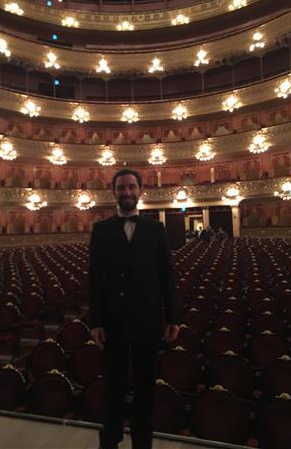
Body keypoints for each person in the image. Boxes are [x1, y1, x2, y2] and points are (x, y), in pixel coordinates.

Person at [88, 168, 180, 449]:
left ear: (141, 191)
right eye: (121, 188)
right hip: (113, 322)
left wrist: (173, 316)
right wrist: (96, 322)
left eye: (131, 187)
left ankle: (142, 443)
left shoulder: (156, 228)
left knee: (145, 388)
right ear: (113, 192)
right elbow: (94, 279)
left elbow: (166, 274)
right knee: (112, 388)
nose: (126, 192)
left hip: (148, 320)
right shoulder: (101, 230)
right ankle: (111, 441)